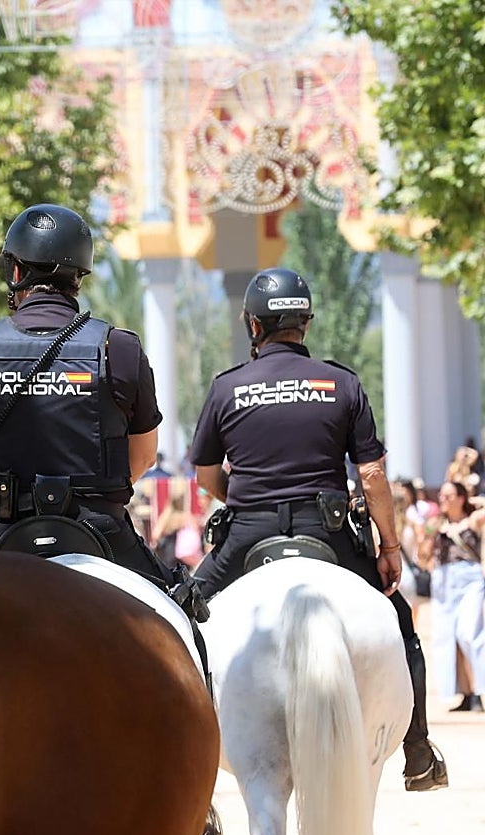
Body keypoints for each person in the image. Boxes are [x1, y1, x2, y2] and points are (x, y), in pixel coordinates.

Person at [187, 266, 447, 792]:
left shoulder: (228, 388)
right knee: (398, 621)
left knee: (183, 625)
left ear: (253, 326)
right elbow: (371, 474)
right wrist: (390, 546)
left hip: (245, 536)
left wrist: (241, 497)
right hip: (326, 532)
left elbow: (205, 475)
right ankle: (418, 752)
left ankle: (186, 768)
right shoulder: (341, 382)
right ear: (304, 323)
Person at [0, 204, 201, 607]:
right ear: (78, 278)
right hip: (101, 532)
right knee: (185, 616)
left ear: (16, 273)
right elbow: (145, 455)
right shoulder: (119, 347)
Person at [417, 482, 485, 713]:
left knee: (469, 633)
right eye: (442, 495)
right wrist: (428, 534)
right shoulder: (437, 524)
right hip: (443, 580)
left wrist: (477, 501)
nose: (443, 499)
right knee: (446, 639)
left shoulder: (472, 521)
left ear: (461, 498)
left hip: (469, 578)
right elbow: (423, 550)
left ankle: (479, 690)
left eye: (449, 495)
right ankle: (465, 694)